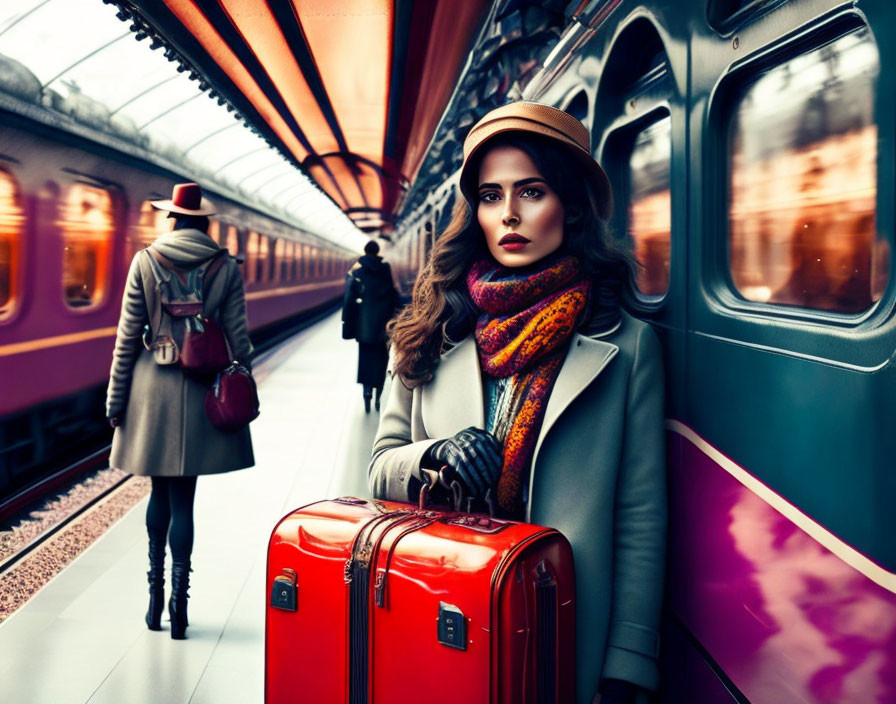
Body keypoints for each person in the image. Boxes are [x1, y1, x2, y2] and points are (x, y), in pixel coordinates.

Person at [369, 102, 666, 704]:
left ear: (572, 205)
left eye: (530, 191)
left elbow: (640, 517)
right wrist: (435, 457)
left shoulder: (627, 347)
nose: (508, 214)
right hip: (445, 614)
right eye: (490, 195)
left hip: (564, 630)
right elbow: (378, 468)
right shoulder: (430, 330)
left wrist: (627, 662)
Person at [105, 182, 254, 639]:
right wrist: (242, 381)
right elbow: (238, 336)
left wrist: (116, 400)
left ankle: (153, 604)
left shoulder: (145, 262)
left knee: (158, 495)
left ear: (172, 218)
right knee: (185, 501)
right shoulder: (224, 266)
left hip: (153, 391)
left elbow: (128, 338)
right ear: (205, 222)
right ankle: (180, 611)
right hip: (202, 390)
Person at [342, 239, 399, 412]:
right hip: (383, 328)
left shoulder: (357, 273)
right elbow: (392, 297)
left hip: (364, 328)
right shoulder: (385, 271)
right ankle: (378, 396)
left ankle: (366, 392)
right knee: (382, 362)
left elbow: (349, 302)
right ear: (377, 252)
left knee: (365, 361)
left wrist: (347, 325)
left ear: (365, 252)